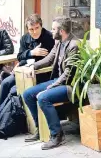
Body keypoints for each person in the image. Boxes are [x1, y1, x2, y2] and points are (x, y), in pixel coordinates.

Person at [0, 13, 55, 133]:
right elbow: (20, 56)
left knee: (14, 90)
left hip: (39, 74)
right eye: (31, 29)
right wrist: (31, 53)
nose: (34, 32)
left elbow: (51, 59)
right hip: (23, 70)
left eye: (37, 28)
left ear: (41, 26)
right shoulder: (25, 38)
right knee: (6, 83)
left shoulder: (49, 37)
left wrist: (32, 64)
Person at [21, 16, 79, 150]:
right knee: (28, 94)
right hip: (57, 80)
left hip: (68, 85)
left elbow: (69, 73)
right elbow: (49, 59)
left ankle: (57, 135)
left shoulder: (74, 45)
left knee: (43, 97)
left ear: (62, 31)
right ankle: (40, 129)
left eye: (54, 29)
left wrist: (51, 86)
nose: (51, 31)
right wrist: (33, 67)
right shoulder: (59, 42)